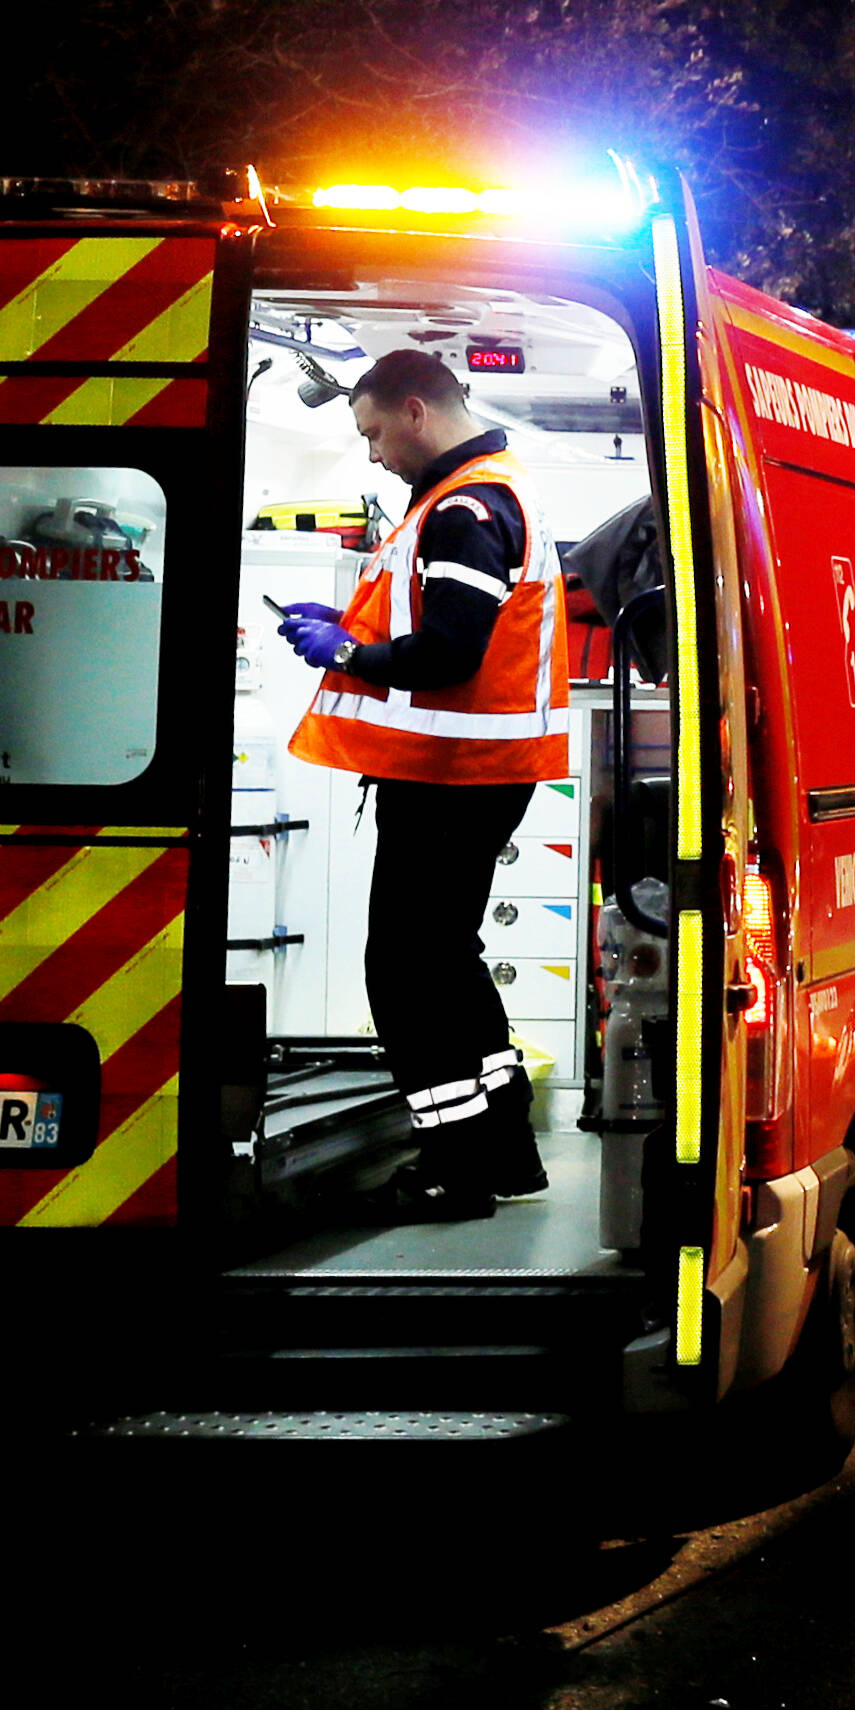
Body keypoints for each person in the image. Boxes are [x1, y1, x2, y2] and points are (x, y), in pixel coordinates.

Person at [275, 351, 567, 1212]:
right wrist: (350, 623)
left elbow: (449, 652)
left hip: (454, 776)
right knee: (446, 962)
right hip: (472, 774)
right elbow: (437, 621)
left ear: (414, 411)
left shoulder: (467, 508)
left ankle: (456, 1165)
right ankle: (505, 1154)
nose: (371, 455)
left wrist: (351, 656)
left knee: (405, 975)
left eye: (371, 434)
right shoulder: (480, 493)